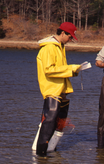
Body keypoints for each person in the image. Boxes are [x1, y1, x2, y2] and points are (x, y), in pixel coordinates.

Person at [35, 22, 81, 157]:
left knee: (56, 121)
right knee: (49, 121)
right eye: (70, 37)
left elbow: (59, 69)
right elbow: (49, 70)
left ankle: (48, 150)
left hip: (59, 89)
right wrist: (71, 69)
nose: (71, 40)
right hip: (51, 89)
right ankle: (41, 153)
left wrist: (73, 72)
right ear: (62, 33)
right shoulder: (50, 47)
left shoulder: (59, 46)